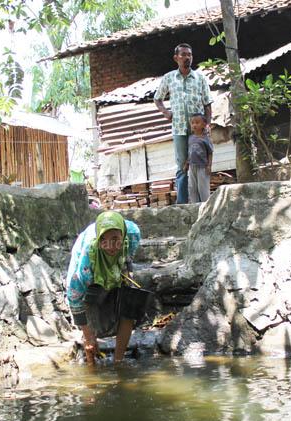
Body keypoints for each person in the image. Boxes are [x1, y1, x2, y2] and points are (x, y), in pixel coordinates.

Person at [66, 211, 141, 365]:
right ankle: (91, 361)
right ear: (98, 240)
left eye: (115, 239)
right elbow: (74, 296)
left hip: (118, 263)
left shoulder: (132, 235)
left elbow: (127, 258)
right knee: (90, 301)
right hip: (92, 263)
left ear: (123, 236)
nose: (110, 246)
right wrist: (88, 335)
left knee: (129, 306)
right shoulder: (87, 260)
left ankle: (118, 362)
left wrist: (120, 272)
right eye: (104, 240)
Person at [154, 43, 214, 204]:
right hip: (180, 129)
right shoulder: (169, 78)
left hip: (198, 131)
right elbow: (157, 98)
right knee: (182, 166)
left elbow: (207, 103)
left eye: (190, 54)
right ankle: (182, 204)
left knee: (201, 164)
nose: (187, 57)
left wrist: (207, 125)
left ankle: (203, 201)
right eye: (184, 54)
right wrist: (166, 113)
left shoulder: (200, 78)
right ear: (176, 58)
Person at [186, 113, 214, 203]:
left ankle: (206, 205)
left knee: (203, 188)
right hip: (192, 166)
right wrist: (186, 163)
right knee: (192, 187)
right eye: (192, 123)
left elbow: (210, 153)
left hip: (202, 167)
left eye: (197, 122)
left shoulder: (206, 139)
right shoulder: (190, 138)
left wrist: (209, 166)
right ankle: (195, 205)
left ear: (204, 125)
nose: (194, 125)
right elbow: (190, 152)